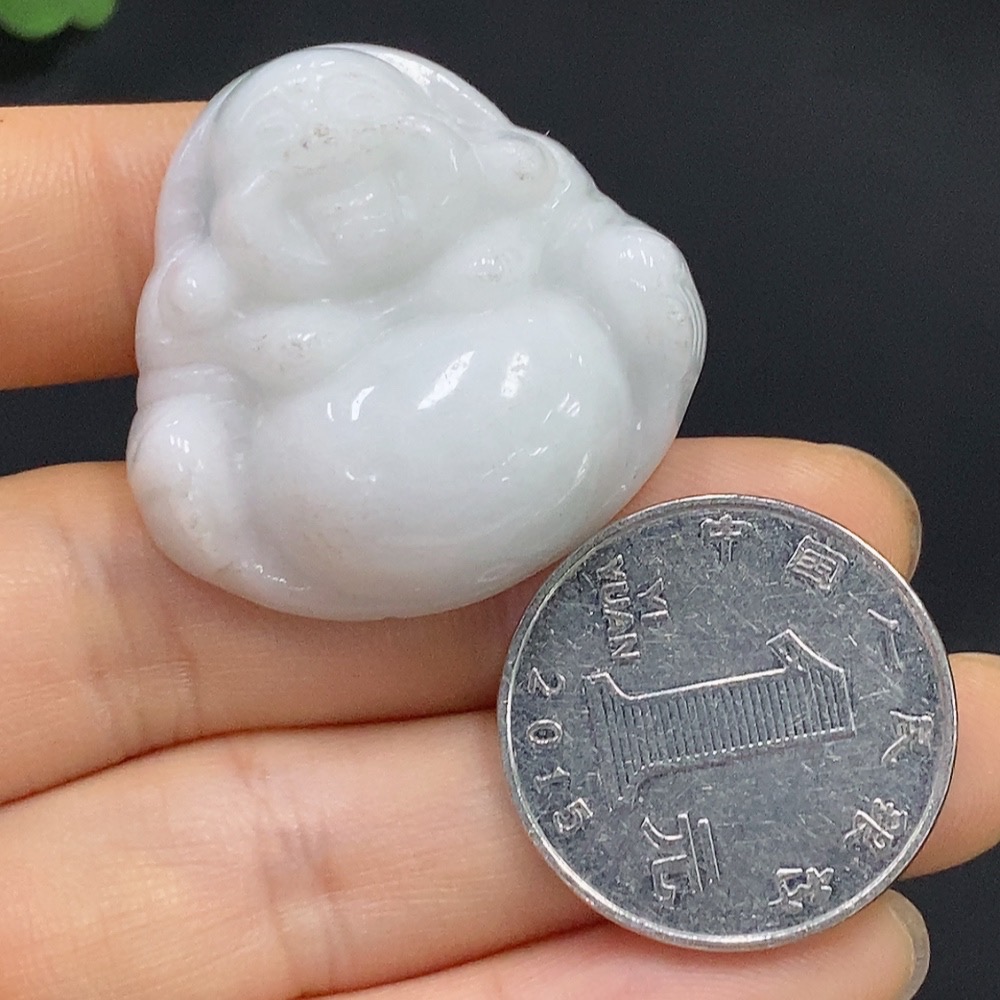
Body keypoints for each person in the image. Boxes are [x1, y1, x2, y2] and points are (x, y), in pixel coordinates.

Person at [0, 103, 996, 1000]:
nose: (355, 213)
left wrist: (633, 292)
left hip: (566, 426)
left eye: (376, 173)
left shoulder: (514, 205)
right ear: (247, 218)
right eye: (308, 198)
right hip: (333, 514)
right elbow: (188, 415)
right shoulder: (219, 302)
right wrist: (192, 476)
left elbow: (615, 259)